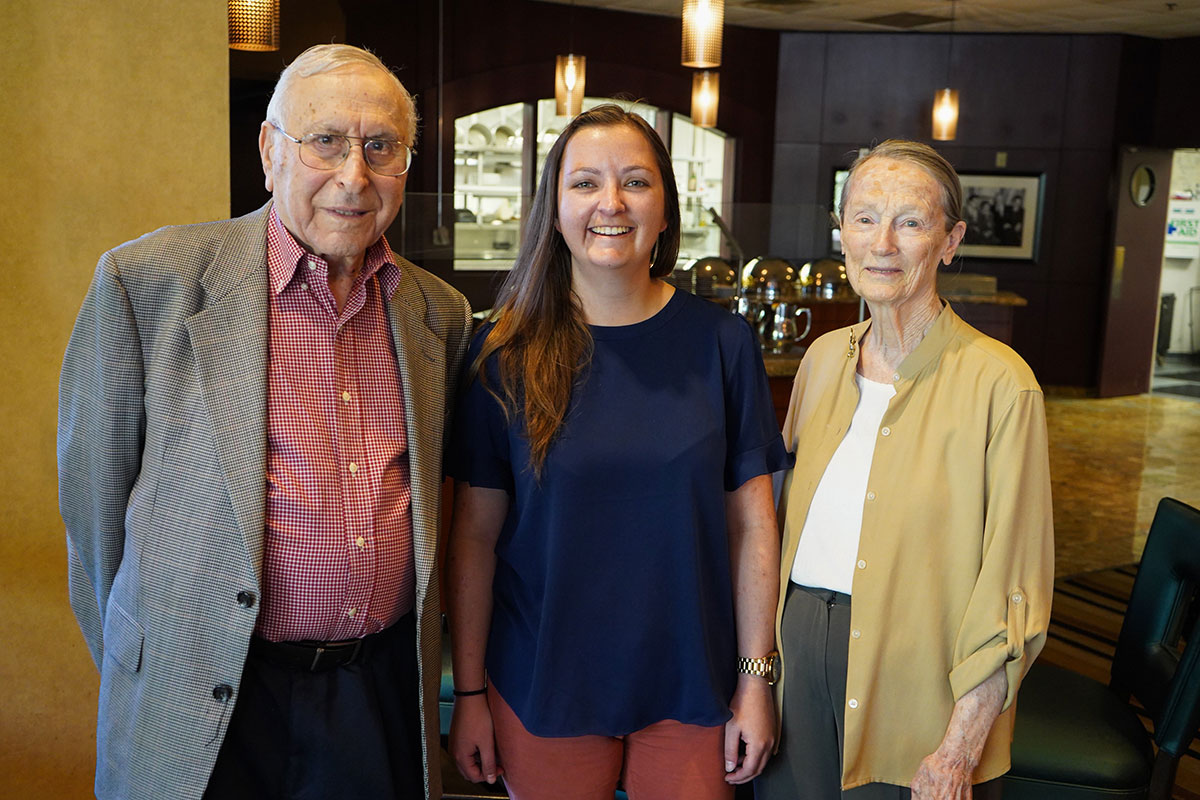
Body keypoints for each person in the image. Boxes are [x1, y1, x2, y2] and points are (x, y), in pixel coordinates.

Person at [57, 44, 472, 800]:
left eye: (381, 147)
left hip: (371, 693)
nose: (354, 176)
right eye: (326, 141)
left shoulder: (438, 312)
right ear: (269, 149)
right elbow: (94, 525)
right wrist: (150, 654)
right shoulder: (145, 284)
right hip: (204, 692)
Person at [444, 104, 789, 800]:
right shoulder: (501, 351)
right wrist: (471, 691)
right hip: (543, 683)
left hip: (692, 681)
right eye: (585, 183)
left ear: (666, 210)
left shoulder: (722, 344)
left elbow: (751, 524)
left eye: (635, 181)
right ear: (554, 209)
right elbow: (474, 538)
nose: (611, 202)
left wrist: (756, 678)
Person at [755, 140, 1054, 800]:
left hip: (921, 694)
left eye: (910, 221)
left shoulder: (1001, 383)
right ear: (842, 235)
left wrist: (959, 747)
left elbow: (1016, 590)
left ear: (950, 242)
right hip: (799, 668)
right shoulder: (823, 360)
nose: (882, 242)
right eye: (864, 218)